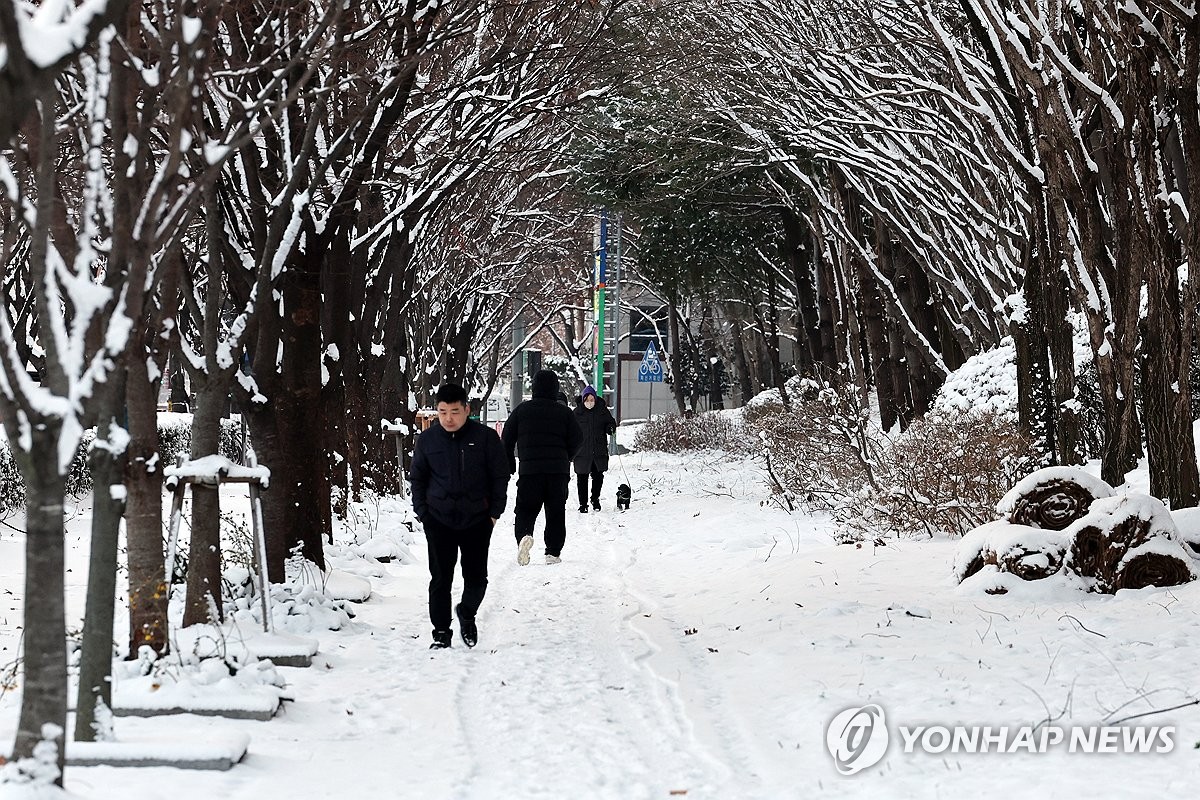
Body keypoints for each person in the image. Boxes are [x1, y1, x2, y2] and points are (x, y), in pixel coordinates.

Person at [410, 383, 510, 649]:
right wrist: (423, 513)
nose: (448, 418)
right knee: (441, 579)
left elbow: (500, 476)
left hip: (477, 519)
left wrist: (494, 513)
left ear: (467, 409)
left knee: (477, 577)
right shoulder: (428, 440)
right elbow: (417, 478)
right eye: (442, 412)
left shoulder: (486, 438)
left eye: (454, 411)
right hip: (438, 519)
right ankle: (441, 632)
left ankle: (467, 612)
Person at [502, 369, 583, 565]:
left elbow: (506, 438)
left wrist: (509, 462)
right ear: (556, 388)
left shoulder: (522, 410)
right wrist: (567, 457)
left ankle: (524, 536)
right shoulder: (564, 412)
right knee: (555, 511)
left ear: (534, 387)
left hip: (530, 472)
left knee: (525, 509)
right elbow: (578, 439)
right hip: (558, 472)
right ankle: (552, 553)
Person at [573, 385, 617, 513]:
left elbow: (611, 422)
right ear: (583, 400)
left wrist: (610, 428)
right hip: (581, 451)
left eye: (592, 400)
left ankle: (595, 498)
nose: (590, 402)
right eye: (587, 400)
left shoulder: (602, 411)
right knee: (582, 478)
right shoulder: (577, 413)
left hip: (598, 450)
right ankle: (583, 504)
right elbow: (569, 428)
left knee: (598, 476)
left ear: (595, 400)